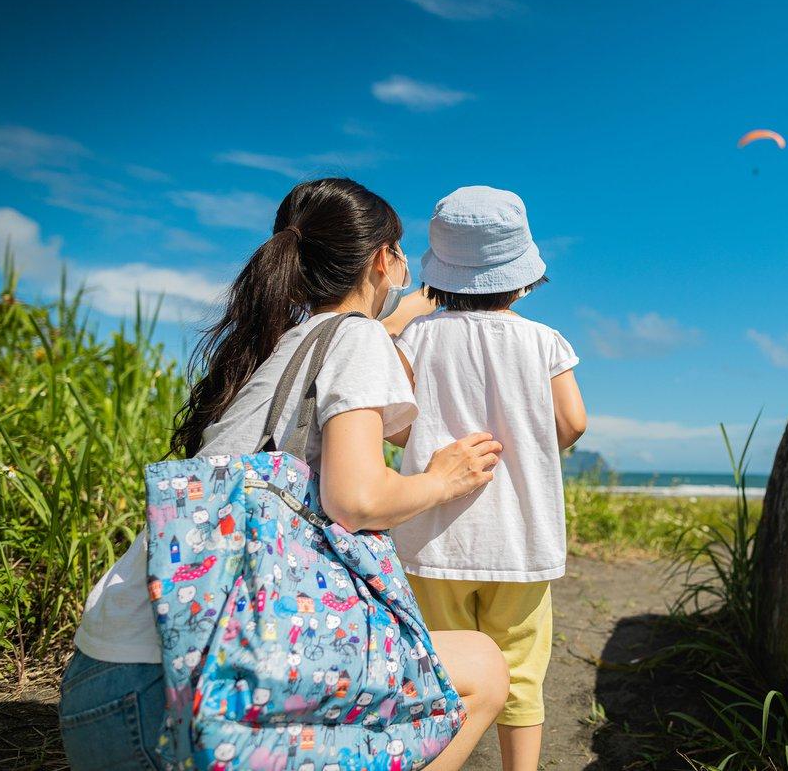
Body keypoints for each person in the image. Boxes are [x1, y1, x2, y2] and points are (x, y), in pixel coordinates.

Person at [59, 178, 509, 771]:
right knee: (483, 665)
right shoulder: (356, 337)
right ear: (383, 260)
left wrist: (397, 320)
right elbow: (356, 498)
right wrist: (444, 479)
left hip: (104, 694)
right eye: (400, 254)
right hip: (181, 712)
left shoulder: (275, 348)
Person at [388, 185, 587, 771]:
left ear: (440, 272)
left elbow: (394, 422)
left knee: (440, 668)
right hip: (522, 538)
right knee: (521, 672)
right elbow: (573, 422)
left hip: (432, 540)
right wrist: (528, 445)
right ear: (523, 274)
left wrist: (424, 444)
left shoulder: (415, 338)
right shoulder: (544, 341)